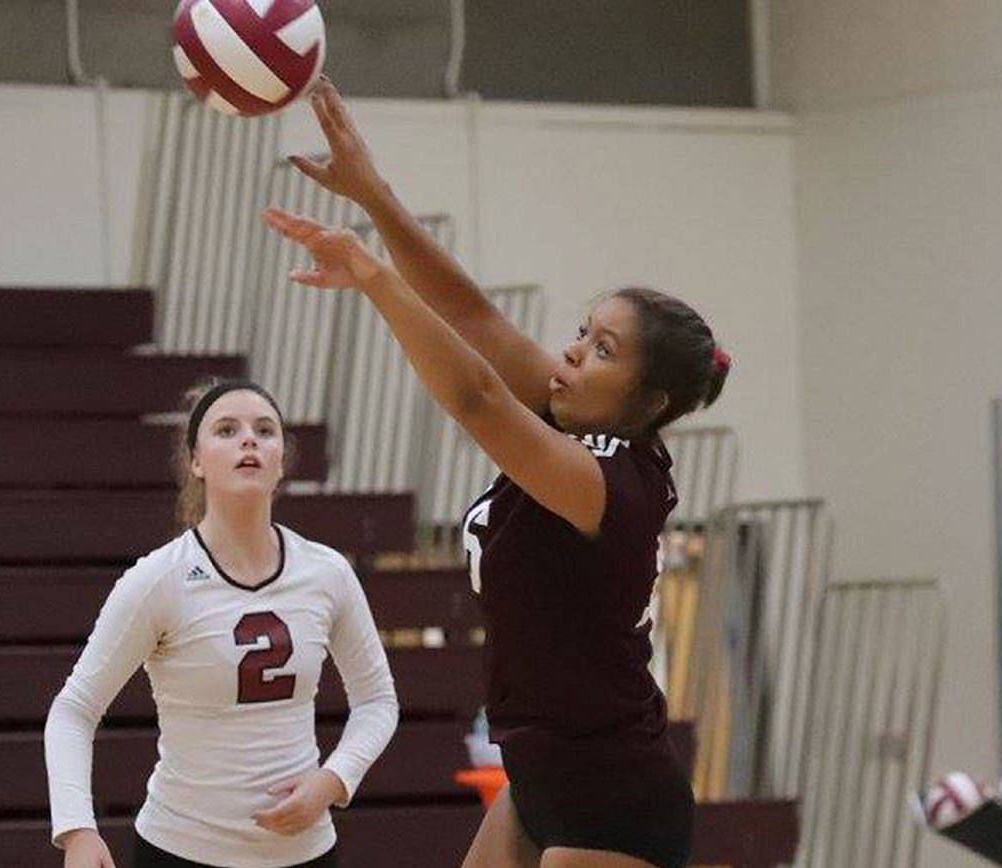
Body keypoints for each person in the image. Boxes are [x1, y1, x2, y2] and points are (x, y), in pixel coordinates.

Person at [262, 81, 730, 868]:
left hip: (613, 797)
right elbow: (474, 318)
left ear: (647, 402)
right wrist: (375, 195)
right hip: (539, 777)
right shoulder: (567, 414)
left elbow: (477, 396)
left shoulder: (615, 483)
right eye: (584, 332)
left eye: (603, 351)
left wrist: (375, 279)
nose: (574, 351)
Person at [44, 379, 399, 868]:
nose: (248, 440)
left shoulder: (327, 572)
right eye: (227, 430)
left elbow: (377, 700)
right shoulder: (159, 578)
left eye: (264, 430)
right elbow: (74, 710)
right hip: (179, 850)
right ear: (195, 462)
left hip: (305, 854)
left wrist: (333, 781)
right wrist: (77, 830)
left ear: (281, 461)